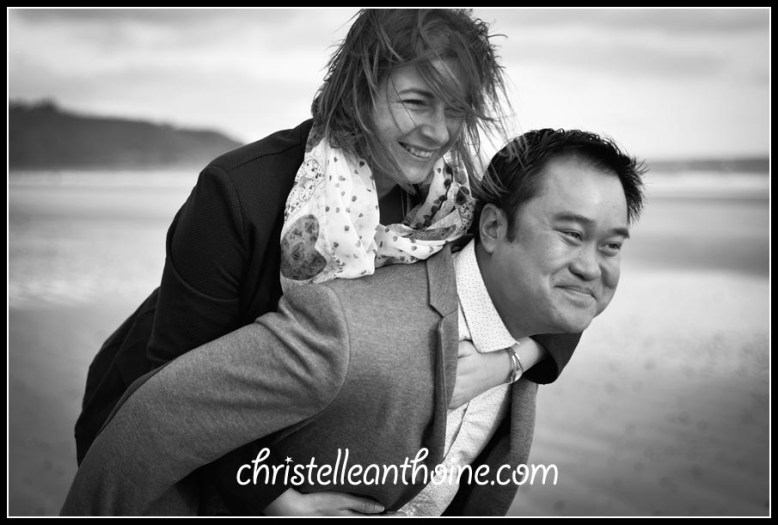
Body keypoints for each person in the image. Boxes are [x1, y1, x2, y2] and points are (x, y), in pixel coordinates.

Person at [74, 9, 580, 515]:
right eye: (416, 102)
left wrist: (507, 362)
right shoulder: (240, 192)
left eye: (456, 110)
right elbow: (175, 381)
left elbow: (567, 281)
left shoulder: (451, 207)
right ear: (359, 88)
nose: (437, 131)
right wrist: (272, 499)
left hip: (301, 443)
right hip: (163, 436)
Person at [60, 128, 647, 516]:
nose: (593, 267)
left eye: (612, 245)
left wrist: (519, 358)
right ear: (491, 229)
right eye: (572, 234)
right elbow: (148, 428)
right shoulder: (351, 322)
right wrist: (265, 503)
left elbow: (571, 296)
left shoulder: (527, 322)